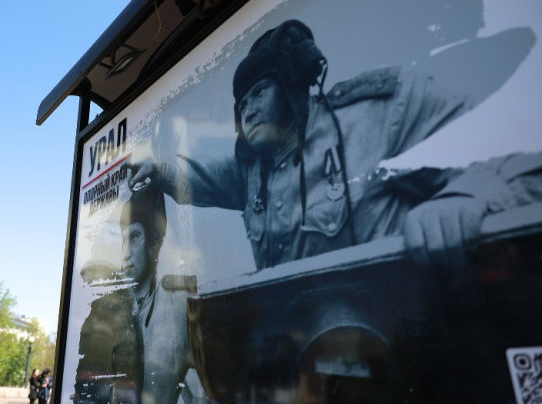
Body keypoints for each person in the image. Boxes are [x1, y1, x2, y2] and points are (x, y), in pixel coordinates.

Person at [128, 19, 542, 272]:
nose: (248, 109)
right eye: (242, 102)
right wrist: (160, 169)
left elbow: (505, 151)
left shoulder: (378, 113)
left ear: (292, 84)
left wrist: (463, 200)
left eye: (259, 92)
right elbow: (202, 174)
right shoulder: (253, 170)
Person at [119, 187, 209, 404]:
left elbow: (203, 401)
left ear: (154, 242)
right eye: (122, 239)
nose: (125, 253)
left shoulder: (177, 307)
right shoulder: (114, 314)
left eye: (135, 237)